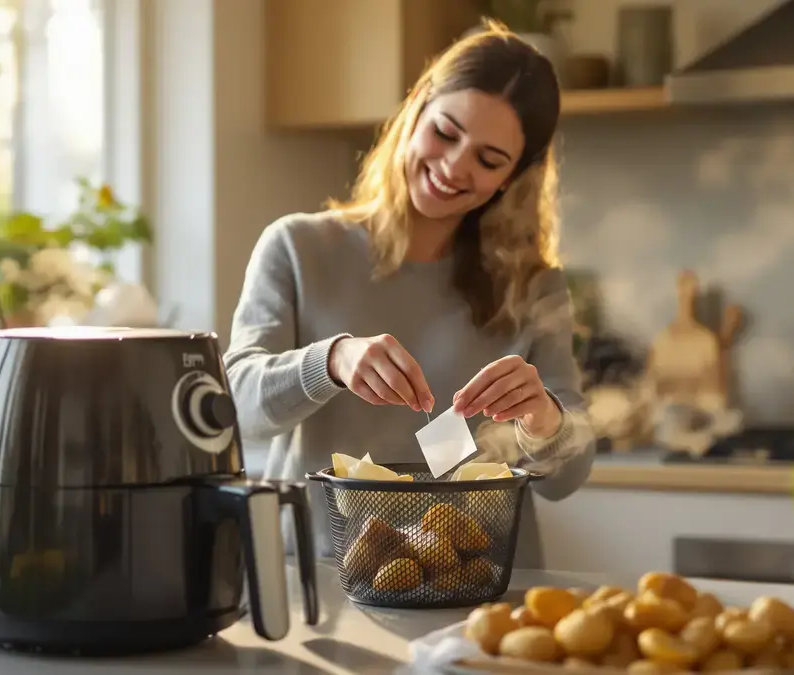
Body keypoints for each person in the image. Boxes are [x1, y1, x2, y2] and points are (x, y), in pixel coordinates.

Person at [224, 21, 594, 557]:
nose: (452, 167)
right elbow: (236, 408)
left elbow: (568, 477)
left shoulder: (533, 286)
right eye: (445, 132)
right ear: (416, 106)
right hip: (326, 580)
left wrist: (544, 421)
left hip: (477, 578)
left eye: (488, 160)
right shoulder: (298, 248)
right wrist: (329, 361)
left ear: (514, 176)